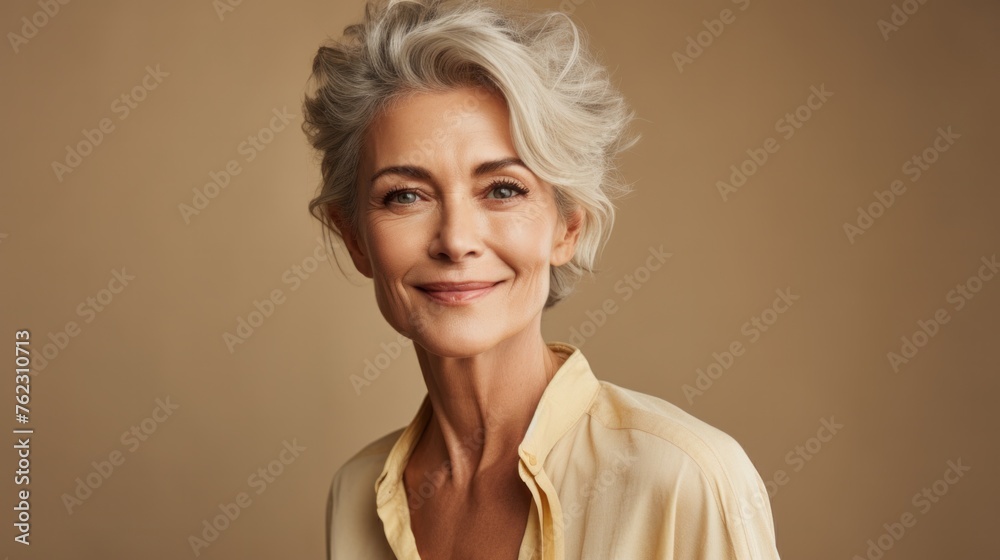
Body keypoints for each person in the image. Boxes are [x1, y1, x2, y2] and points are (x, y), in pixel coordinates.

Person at [301, 0, 781, 558]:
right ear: (354, 236)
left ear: (567, 227)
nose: (456, 240)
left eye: (503, 189)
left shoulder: (683, 479)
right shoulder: (355, 491)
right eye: (405, 195)